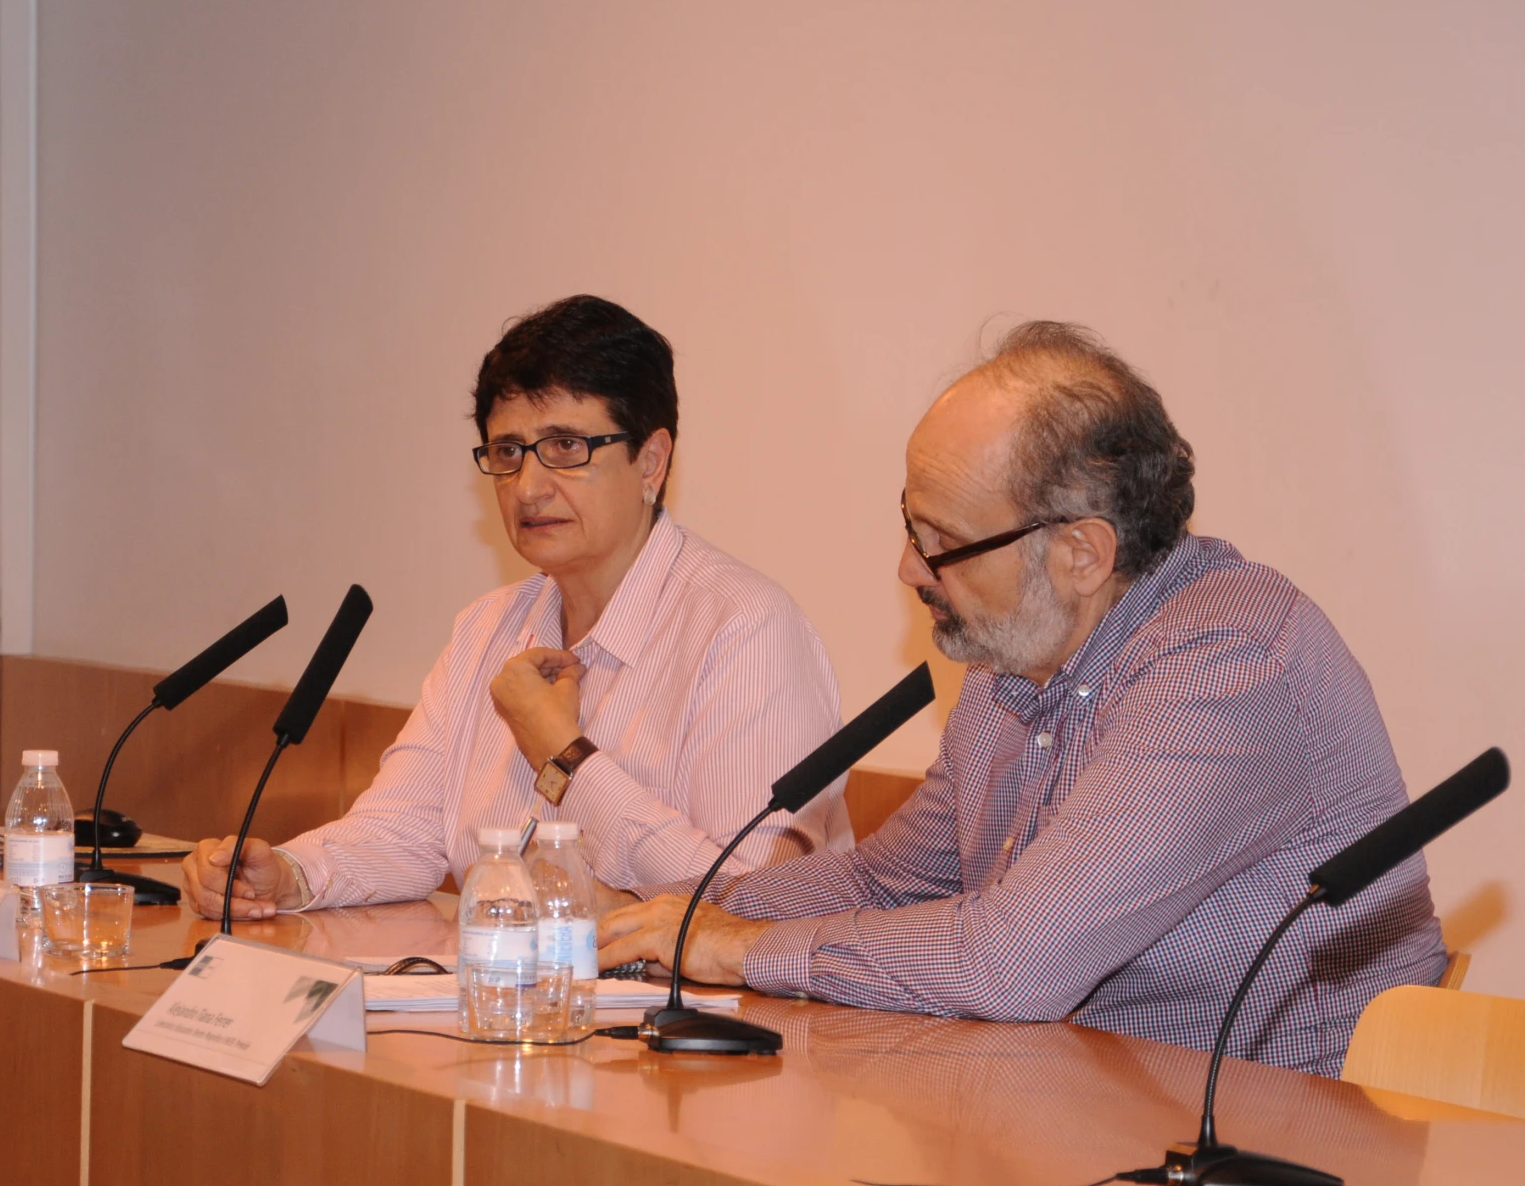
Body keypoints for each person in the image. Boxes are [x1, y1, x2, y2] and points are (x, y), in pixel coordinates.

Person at [600, 322, 1447, 1075]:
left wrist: (744, 950)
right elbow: (894, 884)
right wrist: (676, 920)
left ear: (1080, 552)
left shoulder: (1226, 667)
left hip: (1280, 1154)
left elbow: (1015, 963)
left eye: (943, 545)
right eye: (909, 527)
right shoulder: (1013, 668)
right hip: (1068, 1105)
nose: (907, 571)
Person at [178, 295, 850, 918]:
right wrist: (291, 875)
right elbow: (407, 826)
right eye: (508, 452)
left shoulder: (745, 630)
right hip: (517, 1008)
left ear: (651, 461)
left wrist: (561, 754)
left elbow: (748, 900)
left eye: (565, 447)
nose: (527, 486)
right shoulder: (487, 630)